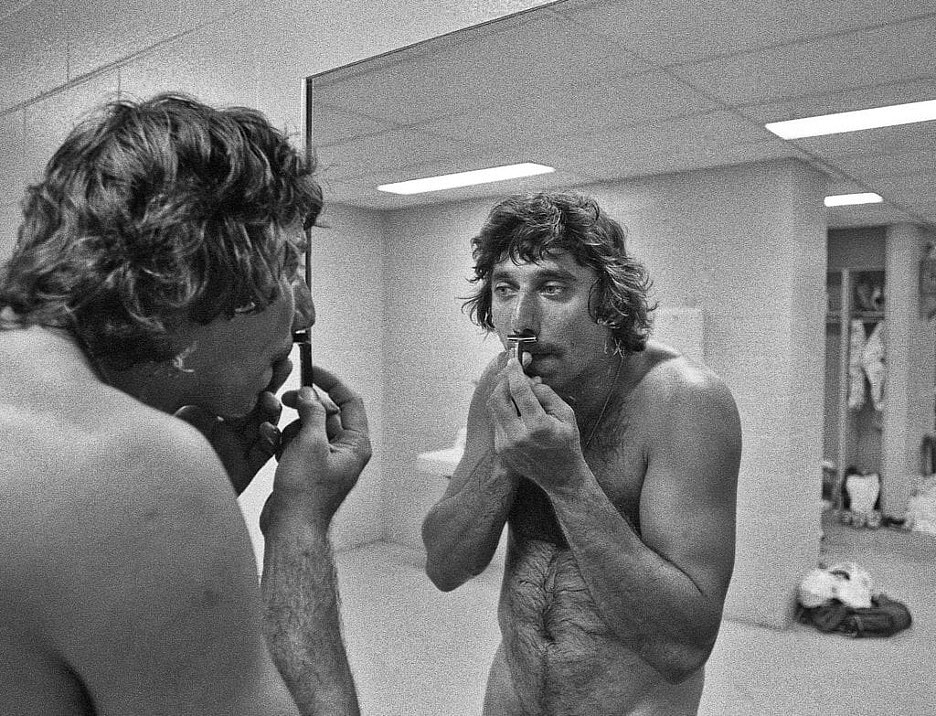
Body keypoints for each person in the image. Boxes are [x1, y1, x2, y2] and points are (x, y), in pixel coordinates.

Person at [0, 93, 371, 715]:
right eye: (289, 266)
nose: (305, 313)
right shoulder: (129, 467)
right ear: (199, 261)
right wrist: (298, 525)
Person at [422, 191, 741, 716]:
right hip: (514, 695)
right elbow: (444, 565)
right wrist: (507, 460)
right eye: (505, 288)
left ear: (610, 302)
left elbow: (683, 647)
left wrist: (566, 480)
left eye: (553, 287)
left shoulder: (683, 401)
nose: (521, 320)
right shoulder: (498, 387)